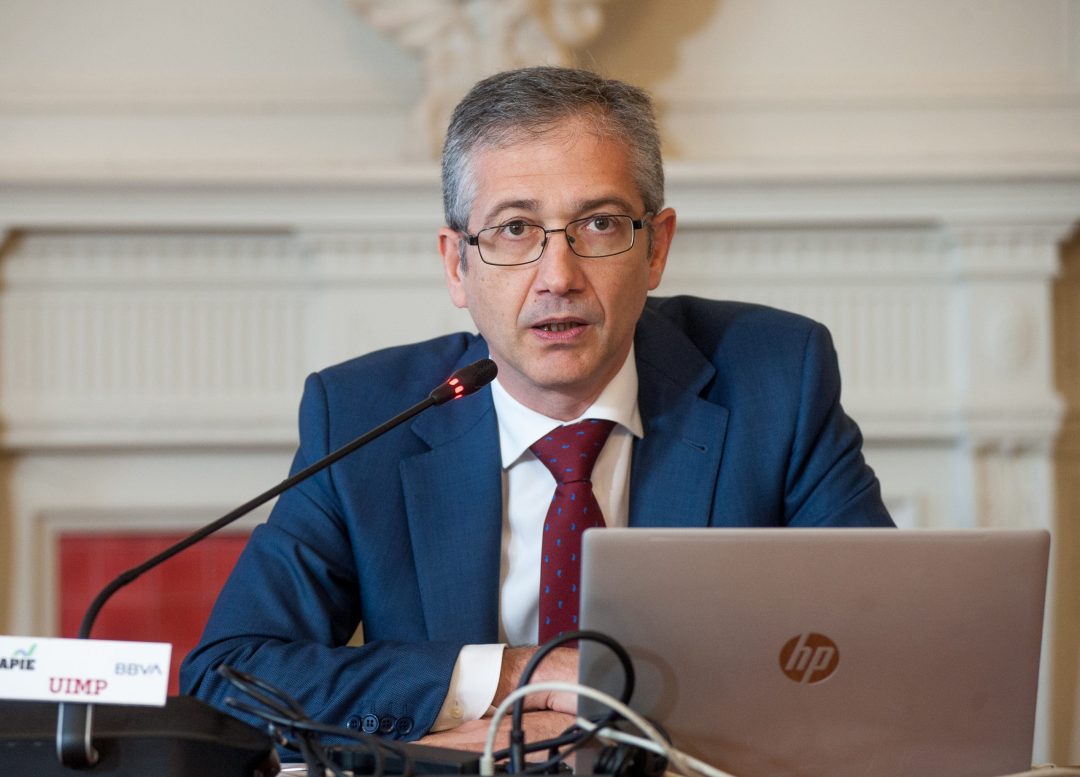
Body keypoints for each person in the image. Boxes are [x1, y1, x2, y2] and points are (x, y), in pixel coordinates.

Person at [180, 66, 893, 752]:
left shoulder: (775, 380)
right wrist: (519, 676)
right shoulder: (365, 416)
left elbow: (880, 643)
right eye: (515, 229)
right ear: (457, 265)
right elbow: (227, 676)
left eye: (600, 224)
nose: (559, 277)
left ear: (655, 249)